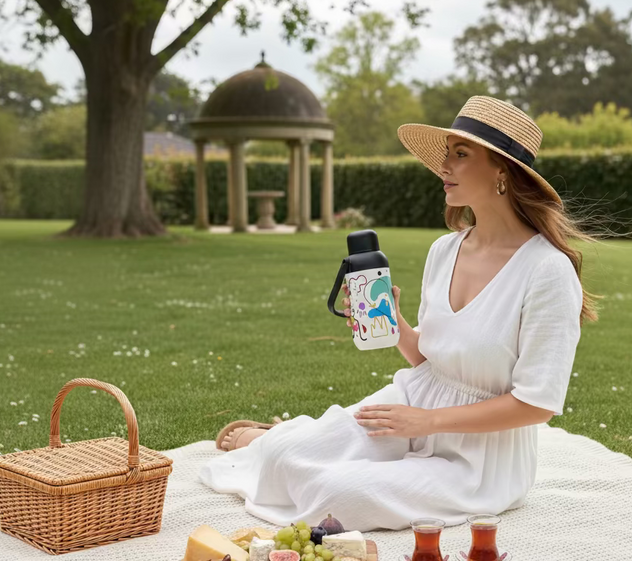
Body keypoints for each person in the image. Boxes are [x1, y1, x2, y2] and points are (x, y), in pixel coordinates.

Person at [200, 96, 600, 532]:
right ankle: (276, 442)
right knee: (283, 459)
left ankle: (279, 438)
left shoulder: (548, 271)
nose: (444, 167)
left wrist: (429, 422)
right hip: (414, 402)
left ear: (502, 172)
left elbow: (536, 404)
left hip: (480, 461)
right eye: (446, 155)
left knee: (335, 497)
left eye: (460, 155)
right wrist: (389, 322)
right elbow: (431, 359)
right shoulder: (445, 249)